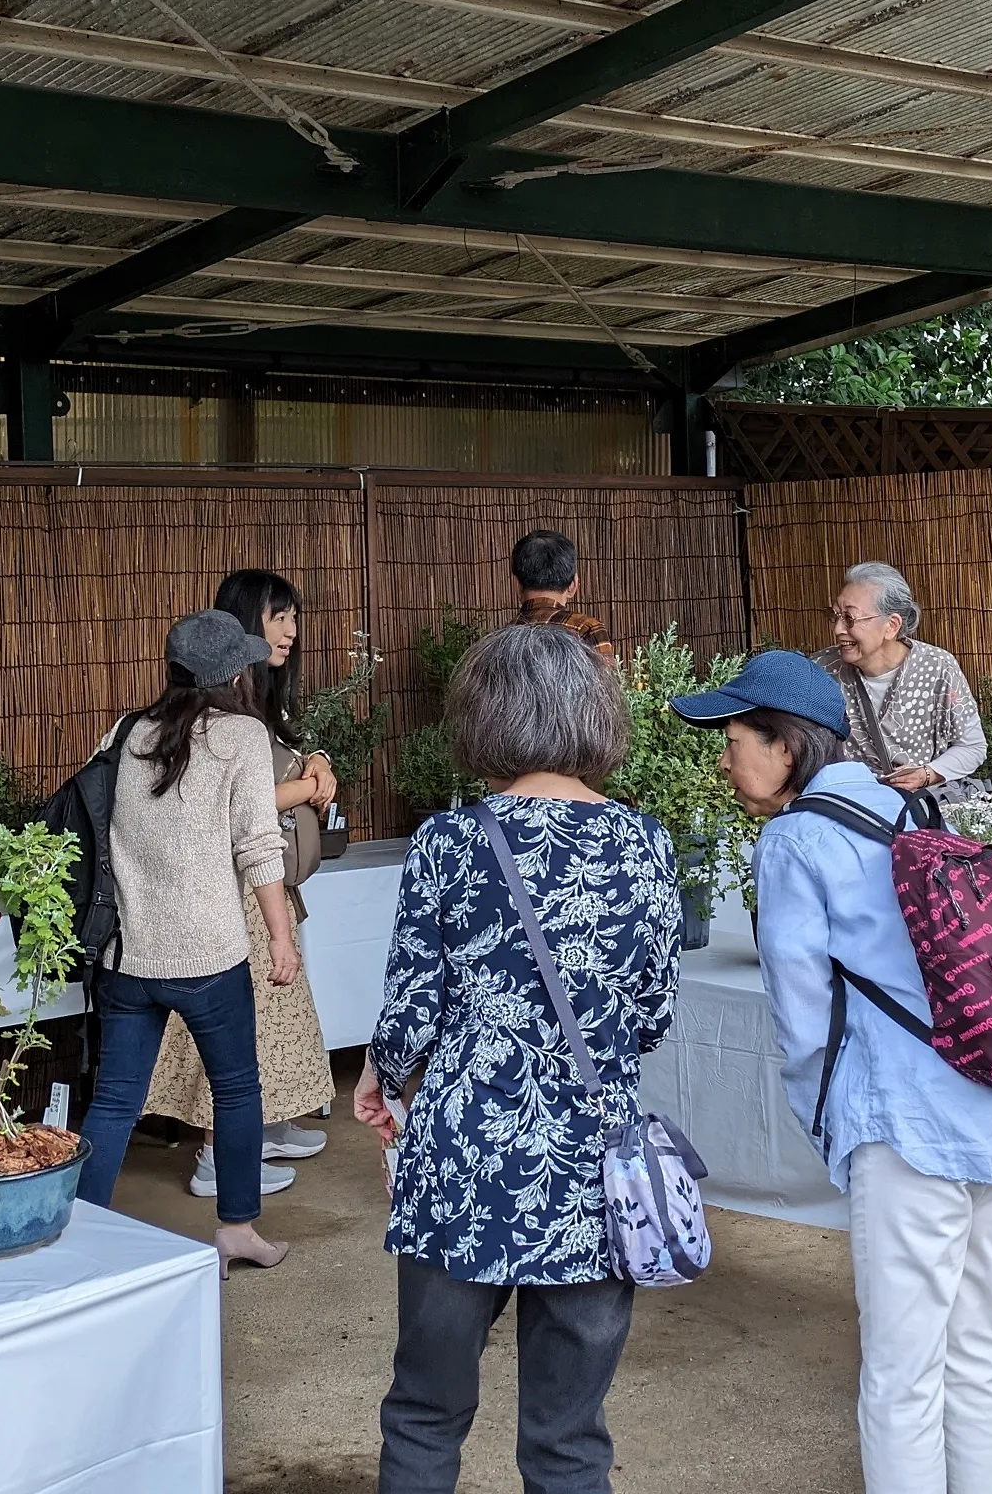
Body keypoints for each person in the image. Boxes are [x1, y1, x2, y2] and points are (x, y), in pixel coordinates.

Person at [671, 648, 992, 1494]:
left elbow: (803, 1017)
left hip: (909, 1129)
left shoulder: (795, 839)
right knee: (974, 1353)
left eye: (733, 735)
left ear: (785, 745)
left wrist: (831, 1125)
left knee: (901, 1375)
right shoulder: (919, 811)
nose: (726, 756)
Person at [354, 624, 681, 1494]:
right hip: (591, 1171)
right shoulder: (646, 844)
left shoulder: (449, 843)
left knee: (425, 1413)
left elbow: (411, 1016)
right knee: (571, 1438)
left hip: (464, 1163)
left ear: (483, 719)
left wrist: (380, 1076)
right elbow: (651, 1015)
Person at [75, 608, 295, 1275]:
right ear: (233, 672)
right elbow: (258, 846)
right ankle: (236, 1231)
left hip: (126, 956)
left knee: (114, 1100)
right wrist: (281, 940)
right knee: (236, 1092)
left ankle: (79, 1237)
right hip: (210, 957)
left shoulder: (123, 732)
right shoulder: (242, 738)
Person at [144, 569, 339, 1201]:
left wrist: (318, 761)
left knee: (269, 1015)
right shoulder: (222, 707)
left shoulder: (261, 697)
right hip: (232, 889)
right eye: (278, 616)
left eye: (293, 616)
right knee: (234, 1020)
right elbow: (240, 807)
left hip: (259, 882)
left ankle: (264, 1127)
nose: (290, 629)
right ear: (242, 625)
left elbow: (273, 766)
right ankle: (216, 1154)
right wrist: (309, 789)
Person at [812, 561, 988, 801]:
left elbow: (972, 747)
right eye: (835, 616)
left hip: (919, 807)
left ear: (891, 626)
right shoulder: (821, 670)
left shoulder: (937, 667)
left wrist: (929, 773)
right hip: (849, 806)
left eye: (850, 618)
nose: (838, 629)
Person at [510, 528, 615, 662]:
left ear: (517, 586)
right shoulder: (586, 630)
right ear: (573, 585)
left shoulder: (496, 642)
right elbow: (606, 681)